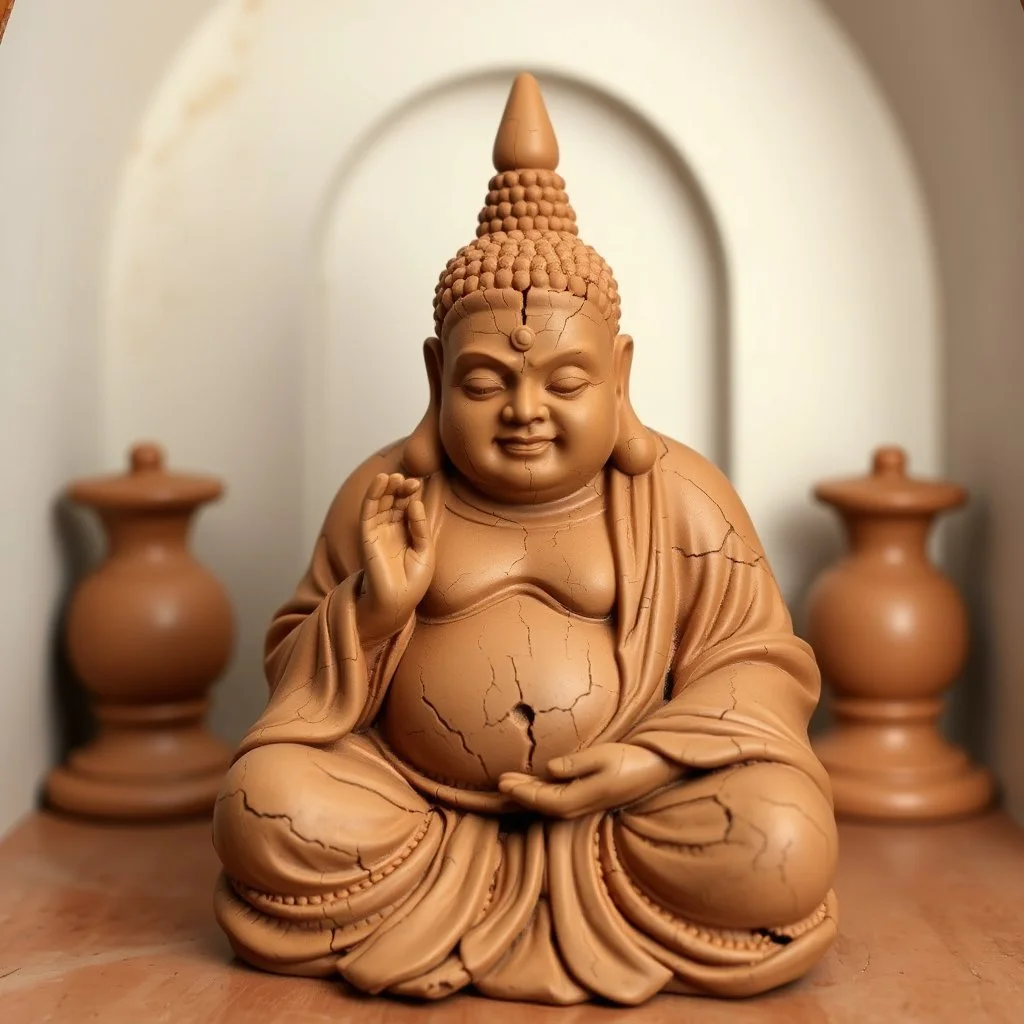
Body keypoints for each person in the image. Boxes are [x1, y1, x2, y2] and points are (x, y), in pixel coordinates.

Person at [212, 72, 838, 1006]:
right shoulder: (387, 495)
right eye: (484, 383)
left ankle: (540, 897)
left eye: (566, 380)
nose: (525, 412)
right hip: (415, 810)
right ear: (434, 376)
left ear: (620, 374)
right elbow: (293, 679)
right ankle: (463, 893)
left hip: (628, 815)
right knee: (260, 805)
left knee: (782, 836)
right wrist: (371, 612)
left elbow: (758, 661)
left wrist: (653, 759)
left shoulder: (679, 496)